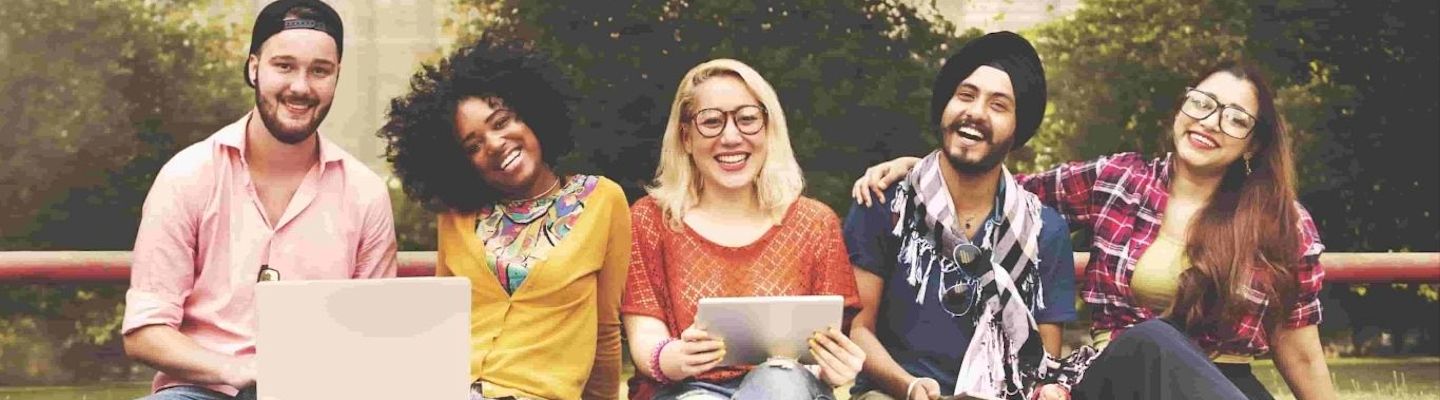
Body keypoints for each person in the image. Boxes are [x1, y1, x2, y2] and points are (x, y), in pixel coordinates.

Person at [852, 60, 1336, 399]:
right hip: (1118, 380)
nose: (1210, 123)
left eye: (1235, 119)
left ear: (1253, 144)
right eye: (1202, 104)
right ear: (1181, 109)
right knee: (1154, 339)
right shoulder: (1117, 181)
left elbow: (1303, 355)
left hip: (1221, 385)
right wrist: (925, 171)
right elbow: (1001, 185)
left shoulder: (1284, 224)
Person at [121, 1, 398, 399]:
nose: (301, 86)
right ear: (254, 68)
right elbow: (144, 332)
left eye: (319, 70)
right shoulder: (188, 175)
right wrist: (235, 370)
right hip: (202, 389)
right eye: (284, 65)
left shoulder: (366, 193)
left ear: (336, 76)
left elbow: (375, 331)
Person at [378, 36, 629, 400]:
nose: (494, 144)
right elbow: (440, 329)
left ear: (533, 114)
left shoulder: (603, 200)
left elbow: (605, 329)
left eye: (502, 121)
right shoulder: (456, 216)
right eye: (473, 145)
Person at [841, 31, 1077, 400]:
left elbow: (1040, 363)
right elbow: (857, 330)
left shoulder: (1044, 231)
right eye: (965, 95)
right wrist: (912, 389)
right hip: (892, 393)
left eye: (999, 105)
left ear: (1018, 128)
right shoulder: (886, 204)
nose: (976, 112)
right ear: (945, 106)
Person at [620, 59, 866, 400]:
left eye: (747, 119)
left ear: (769, 129)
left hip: (787, 388)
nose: (731, 137)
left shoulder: (816, 223)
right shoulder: (648, 220)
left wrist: (834, 368)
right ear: (686, 137)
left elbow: (824, 347)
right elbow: (644, 335)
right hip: (684, 389)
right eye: (711, 122)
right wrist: (673, 357)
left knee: (780, 382)